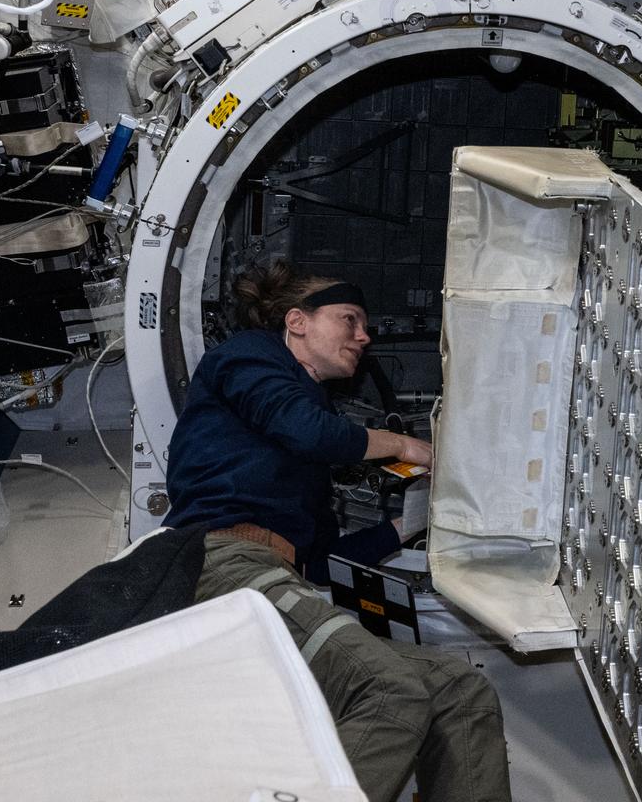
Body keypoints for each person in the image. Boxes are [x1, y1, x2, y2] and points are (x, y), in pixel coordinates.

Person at [166, 260, 511, 802]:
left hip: (280, 577)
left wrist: (405, 527)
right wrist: (400, 445)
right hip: (222, 567)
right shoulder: (250, 355)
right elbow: (306, 431)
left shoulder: (303, 437)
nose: (364, 336)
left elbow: (322, 562)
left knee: (457, 690)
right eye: (350, 319)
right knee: (387, 688)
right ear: (297, 322)